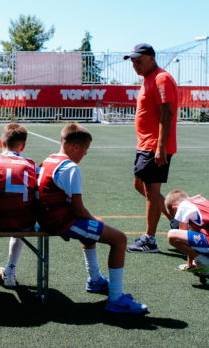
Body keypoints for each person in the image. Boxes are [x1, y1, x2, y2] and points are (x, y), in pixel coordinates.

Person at [37, 123, 148, 314]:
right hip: (59, 222)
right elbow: (79, 210)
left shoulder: (49, 159)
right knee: (119, 239)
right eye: (85, 149)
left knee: (90, 230)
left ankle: (95, 279)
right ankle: (115, 298)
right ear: (75, 147)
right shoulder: (70, 168)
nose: (85, 154)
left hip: (45, 218)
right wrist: (95, 220)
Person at [124, 43, 179, 253]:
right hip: (145, 145)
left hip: (155, 146)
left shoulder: (161, 78)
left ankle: (150, 240)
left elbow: (167, 114)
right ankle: (174, 218)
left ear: (151, 58)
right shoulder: (148, 79)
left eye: (138, 61)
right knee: (140, 185)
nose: (135, 65)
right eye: (133, 62)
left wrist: (160, 147)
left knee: (151, 192)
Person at [0, 123, 38, 288]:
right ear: (23, 146)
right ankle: (10, 271)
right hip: (23, 222)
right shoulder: (31, 165)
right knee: (21, 219)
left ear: (0, 142)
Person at [166, 190, 209, 274]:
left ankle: (205, 261)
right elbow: (194, 231)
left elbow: (185, 236)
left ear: (175, 207)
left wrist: (190, 264)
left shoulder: (183, 206)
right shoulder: (199, 199)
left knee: (172, 235)